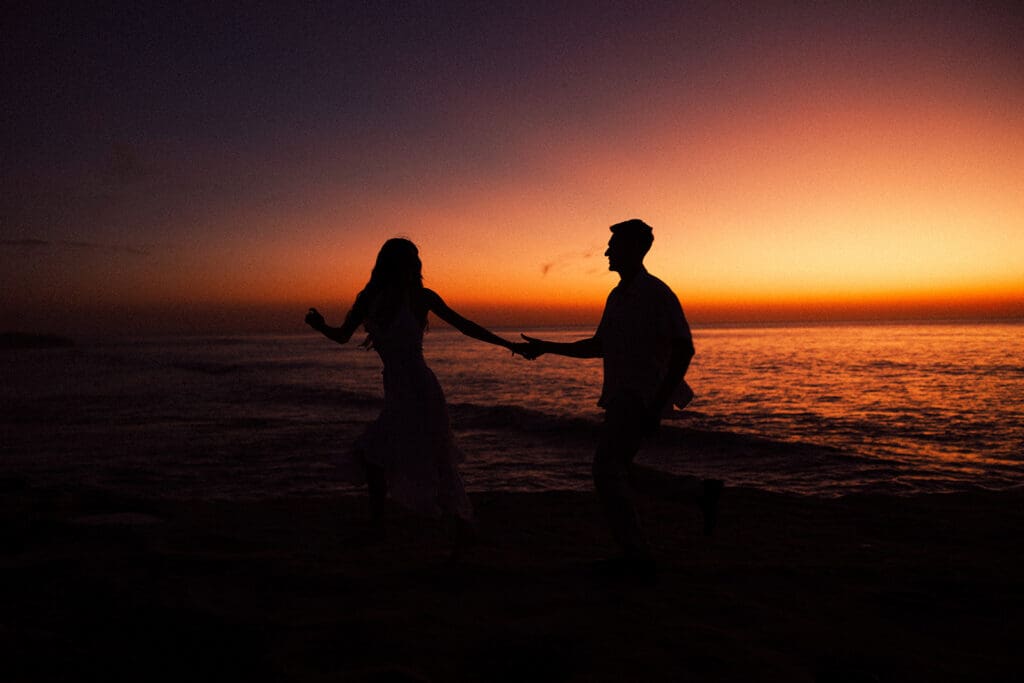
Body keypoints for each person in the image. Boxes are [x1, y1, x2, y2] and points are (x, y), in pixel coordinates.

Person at [520, 219, 722, 577]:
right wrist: (547, 348)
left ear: (633, 249)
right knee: (618, 469)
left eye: (613, 245)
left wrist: (656, 405)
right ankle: (699, 495)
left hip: (639, 396)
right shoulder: (617, 296)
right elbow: (600, 346)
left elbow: (684, 349)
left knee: (605, 469)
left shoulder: (657, 293)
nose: (606, 252)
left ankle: (637, 554)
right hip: (620, 394)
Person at [305, 237, 528, 559]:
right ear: (390, 263)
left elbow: (464, 325)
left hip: (422, 389)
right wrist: (320, 326)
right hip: (397, 390)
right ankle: (384, 527)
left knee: (435, 456)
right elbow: (342, 336)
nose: (413, 265)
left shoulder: (421, 297)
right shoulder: (369, 299)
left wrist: (509, 345)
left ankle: (459, 529)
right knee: (374, 455)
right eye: (407, 259)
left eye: (414, 259)